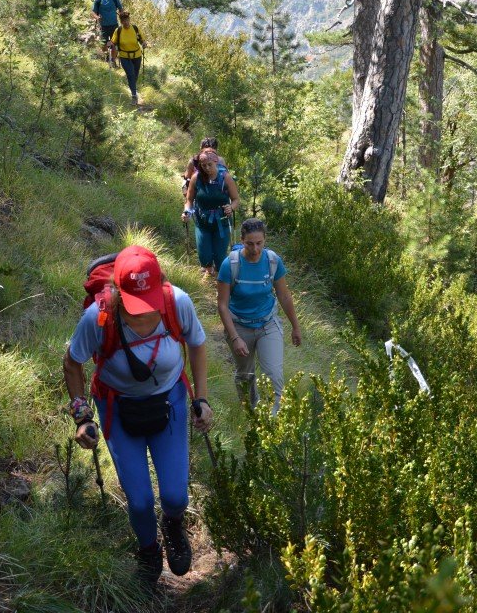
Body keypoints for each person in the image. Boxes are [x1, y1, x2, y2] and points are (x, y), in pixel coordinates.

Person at [64, 246, 214, 589]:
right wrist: (81, 415)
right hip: (118, 408)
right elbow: (72, 363)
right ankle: (148, 552)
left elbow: (198, 344)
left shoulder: (178, 303)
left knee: (176, 497)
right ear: (119, 293)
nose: (143, 313)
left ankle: (172, 525)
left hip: (170, 402)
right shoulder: (98, 318)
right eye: (135, 305)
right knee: (140, 499)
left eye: (148, 303)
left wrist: (201, 398)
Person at [217, 218, 302, 414]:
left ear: (265, 240)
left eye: (259, 243)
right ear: (242, 240)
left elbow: (284, 295)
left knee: (273, 373)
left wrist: (295, 327)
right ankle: (252, 415)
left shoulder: (272, 261)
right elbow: (222, 305)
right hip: (239, 325)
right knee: (245, 375)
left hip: (267, 324)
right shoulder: (230, 264)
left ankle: (274, 422)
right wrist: (235, 337)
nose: (255, 249)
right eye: (249, 244)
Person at [183, 151, 240, 276]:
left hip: (222, 222)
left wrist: (231, 207)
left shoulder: (225, 177)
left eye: (210, 165)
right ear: (200, 166)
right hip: (202, 222)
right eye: (203, 166)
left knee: (220, 256)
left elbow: (236, 199)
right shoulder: (196, 178)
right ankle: (209, 273)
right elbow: (189, 200)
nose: (207, 168)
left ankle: (222, 278)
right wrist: (187, 211)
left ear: (216, 162)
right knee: (204, 254)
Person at [111, 11, 146, 104]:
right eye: (124, 21)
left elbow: (141, 39)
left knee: (135, 76)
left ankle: (132, 87)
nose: (126, 22)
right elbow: (113, 42)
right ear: (121, 22)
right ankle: (134, 96)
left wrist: (144, 43)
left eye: (127, 20)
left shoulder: (135, 28)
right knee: (130, 75)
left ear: (129, 20)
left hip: (137, 56)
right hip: (124, 57)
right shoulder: (118, 30)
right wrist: (110, 44)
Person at [92, 0, 123, 66]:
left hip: (114, 25)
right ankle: (106, 56)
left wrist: (122, 18)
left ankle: (113, 60)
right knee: (104, 44)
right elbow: (93, 12)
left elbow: (121, 9)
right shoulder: (98, 0)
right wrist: (97, 17)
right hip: (103, 26)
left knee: (114, 44)